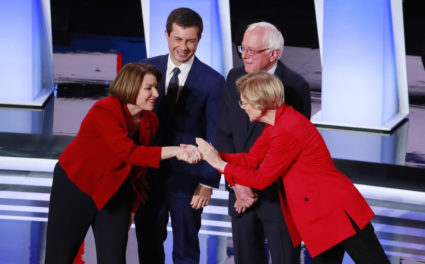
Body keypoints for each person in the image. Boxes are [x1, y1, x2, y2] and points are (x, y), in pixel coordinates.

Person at [197, 71, 390, 264]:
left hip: (336, 212)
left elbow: (261, 179)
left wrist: (219, 164)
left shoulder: (287, 129)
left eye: (244, 102)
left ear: (261, 103)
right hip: (321, 217)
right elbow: (251, 159)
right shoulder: (275, 125)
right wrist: (208, 156)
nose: (242, 107)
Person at [45, 63, 200, 264]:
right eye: (148, 88)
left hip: (116, 190)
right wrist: (177, 151)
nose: (155, 93)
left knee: (114, 258)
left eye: (156, 87)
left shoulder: (150, 121)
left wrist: (133, 208)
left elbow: (138, 170)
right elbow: (129, 153)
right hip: (77, 185)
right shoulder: (104, 109)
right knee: (60, 256)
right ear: (130, 87)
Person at [134, 8, 225, 264]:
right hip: (148, 175)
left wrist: (207, 181)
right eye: (178, 39)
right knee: (148, 242)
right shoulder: (144, 69)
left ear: (199, 39)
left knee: (186, 248)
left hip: (188, 179)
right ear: (166, 35)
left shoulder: (214, 82)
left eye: (190, 41)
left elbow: (215, 133)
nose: (183, 47)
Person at [216, 21, 311, 264]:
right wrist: (237, 184)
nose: (244, 56)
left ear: (273, 54)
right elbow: (225, 133)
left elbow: (289, 148)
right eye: (242, 49)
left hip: (277, 196)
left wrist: (248, 182)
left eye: (252, 51)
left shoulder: (294, 86)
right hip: (240, 194)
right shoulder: (234, 77)